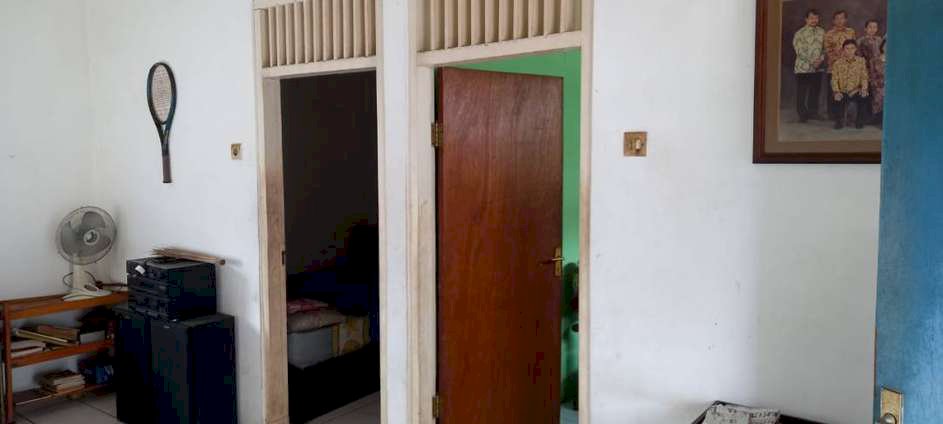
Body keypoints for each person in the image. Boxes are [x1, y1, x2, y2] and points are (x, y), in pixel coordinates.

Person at [793, 9, 826, 122]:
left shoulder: (822, 32)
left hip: (818, 67)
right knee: (802, 91)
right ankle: (802, 115)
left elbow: (825, 48)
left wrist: (821, 59)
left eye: (816, 18)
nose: (814, 20)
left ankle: (813, 112)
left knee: (815, 91)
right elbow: (799, 51)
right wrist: (812, 61)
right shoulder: (799, 33)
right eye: (811, 18)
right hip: (803, 67)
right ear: (806, 19)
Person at [824, 11, 856, 119]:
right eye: (837, 18)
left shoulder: (851, 32)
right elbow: (828, 50)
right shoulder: (829, 34)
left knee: (847, 89)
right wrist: (839, 61)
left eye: (842, 18)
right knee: (833, 90)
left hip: (849, 66)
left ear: (845, 20)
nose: (839, 21)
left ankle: (844, 113)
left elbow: (854, 47)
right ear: (833, 20)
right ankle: (832, 114)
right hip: (833, 66)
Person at [831, 40, 870, 129]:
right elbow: (834, 79)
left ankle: (859, 121)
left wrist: (864, 89)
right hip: (842, 91)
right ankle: (839, 121)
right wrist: (836, 92)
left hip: (856, 90)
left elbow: (864, 77)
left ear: (855, 49)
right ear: (843, 50)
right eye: (847, 48)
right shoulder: (837, 63)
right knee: (836, 98)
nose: (850, 51)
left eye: (852, 48)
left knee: (864, 97)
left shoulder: (861, 61)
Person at [871, 39, 887, 125]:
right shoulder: (874, 60)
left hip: (890, 85)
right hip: (878, 85)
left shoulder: (895, 60)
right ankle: (879, 119)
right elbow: (872, 75)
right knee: (880, 94)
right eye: (886, 45)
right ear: (882, 46)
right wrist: (877, 85)